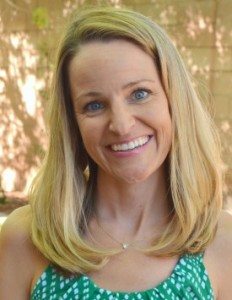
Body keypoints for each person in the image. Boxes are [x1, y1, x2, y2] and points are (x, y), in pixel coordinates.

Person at [0, 6, 231, 300]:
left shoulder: (222, 241)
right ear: (72, 122)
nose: (121, 125)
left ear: (175, 100)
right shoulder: (26, 237)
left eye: (139, 94)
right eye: (94, 105)